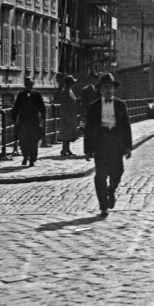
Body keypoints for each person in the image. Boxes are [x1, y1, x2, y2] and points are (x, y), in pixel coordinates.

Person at [84, 73, 133, 217]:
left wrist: (128, 146)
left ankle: (110, 191)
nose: (108, 90)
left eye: (110, 87)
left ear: (114, 89)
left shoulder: (120, 104)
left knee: (117, 172)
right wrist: (87, 150)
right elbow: (89, 129)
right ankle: (103, 205)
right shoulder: (93, 107)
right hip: (101, 141)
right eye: (105, 87)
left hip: (116, 142)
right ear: (100, 89)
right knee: (101, 175)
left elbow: (126, 126)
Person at [11, 77, 46, 167]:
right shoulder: (21, 95)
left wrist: (43, 117)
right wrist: (13, 116)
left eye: (30, 84)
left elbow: (42, 107)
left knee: (33, 141)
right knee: (23, 140)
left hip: (34, 122)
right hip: (23, 121)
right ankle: (25, 156)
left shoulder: (37, 95)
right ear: (25, 85)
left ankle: (32, 159)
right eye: (27, 84)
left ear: (33, 85)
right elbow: (16, 106)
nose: (29, 86)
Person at [57, 75, 80, 156]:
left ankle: (67, 149)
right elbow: (65, 105)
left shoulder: (69, 90)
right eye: (72, 82)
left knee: (70, 132)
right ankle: (64, 149)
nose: (74, 83)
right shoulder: (65, 91)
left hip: (71, 114)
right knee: (66, 132)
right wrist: (67, 116)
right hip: (67, 115)